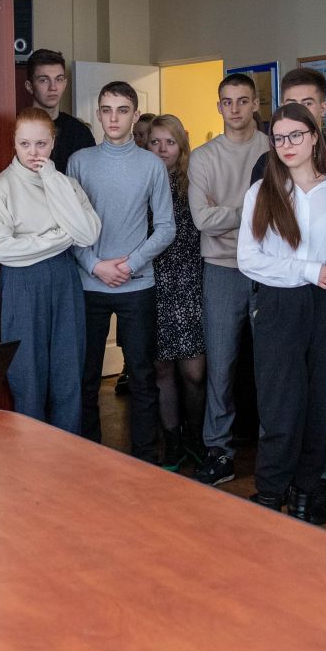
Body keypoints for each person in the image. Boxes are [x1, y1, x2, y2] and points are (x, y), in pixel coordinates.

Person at [238, 104, 326, 517]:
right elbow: (248, 259)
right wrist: (308, 270)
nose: (287, 144)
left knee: (319, 403)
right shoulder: (261, 192)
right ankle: (270, 494)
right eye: (279, 138)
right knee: (280, 405)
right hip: (279, 303)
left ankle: (305, 496)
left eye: (296, 135)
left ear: (314, 136)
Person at [68, 82, 174, 460]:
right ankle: (88, 457)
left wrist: (129, 264)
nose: (114, 118)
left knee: (142, 376)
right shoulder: (79, 162)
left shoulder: (151, 165)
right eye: (107, 109)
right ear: (99, 114)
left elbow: (166, 228)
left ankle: (145, 458)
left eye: (122, 110)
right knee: (86, 377)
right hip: (89, 283)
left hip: (137, 284)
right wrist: (95, 264)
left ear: (134, 115)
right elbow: (70, 226)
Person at [0, 108, 102, 433]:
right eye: (25, 143)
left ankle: (66, 453)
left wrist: (52, 179)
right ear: (14, 143)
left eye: (41, 143)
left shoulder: (66, 184)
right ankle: (32, 454)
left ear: (53, 143)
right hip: (21, 283)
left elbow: (88, 234)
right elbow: (2, 250)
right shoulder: (2, 186)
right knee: (27, 374)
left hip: (64, 278)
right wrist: (59, 236)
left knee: (68, 370)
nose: (33, 152)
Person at [187, 73, 268, 487]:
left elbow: (286, 212)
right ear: (219, 106)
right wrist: (254, 209)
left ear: (256, 104)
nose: (234, 108)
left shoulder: (273, 148)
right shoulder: (203, 157)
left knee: (272, 365)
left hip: (271, 270)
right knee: (221, 365)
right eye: (227, 101)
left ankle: (275, 451)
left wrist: (229, 212)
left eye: (242, 100)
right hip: (221, 268)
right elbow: (203, 219)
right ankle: (219, 450)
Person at [146, 114, 207, 470]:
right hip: (154, 283)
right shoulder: (142, 182)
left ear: (181, 145)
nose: (162, 149)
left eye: (169, 142)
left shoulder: (194, 181)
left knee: (194, 372)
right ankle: (172, 442)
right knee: (162, 369)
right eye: (155, 142)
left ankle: (196, 437)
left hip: (190, 283)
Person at [250, 67, 326, 185]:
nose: (299, 111)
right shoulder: (265, 165)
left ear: (323, 108)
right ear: (282, 108)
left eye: (307, 103)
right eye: (292, 104)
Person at [24, 48, 95, 168]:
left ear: (65, 84)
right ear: (30, 86)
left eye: (58, 79)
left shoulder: (80, 133)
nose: (53, 87)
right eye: (43, 80)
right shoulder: (16, 129)